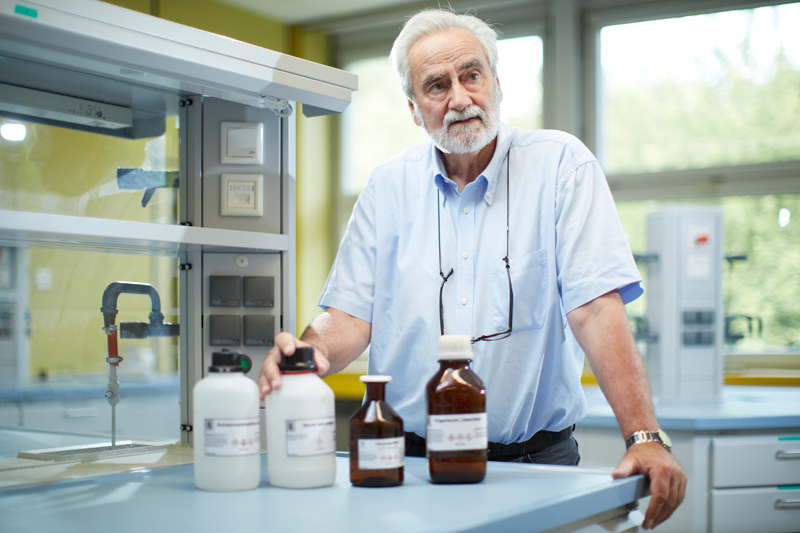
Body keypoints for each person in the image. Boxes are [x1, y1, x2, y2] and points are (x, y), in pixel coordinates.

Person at [259, 9, 686, 530]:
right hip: (410, 467)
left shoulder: (560, 166)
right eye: (436, 86)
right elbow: (349, 314)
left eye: (471, 75)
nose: (459, 98)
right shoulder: (387, 187)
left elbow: (596, 309)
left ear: (497, 84)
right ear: (415, 110)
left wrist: (644, 436)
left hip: (538, 465)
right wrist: (309, 350)